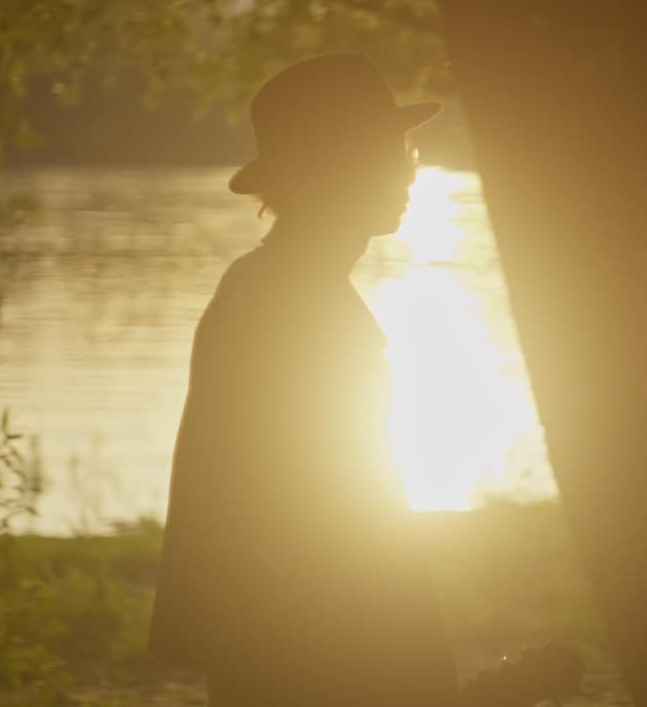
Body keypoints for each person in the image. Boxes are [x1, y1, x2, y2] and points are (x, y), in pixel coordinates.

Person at [148, 54, 457, 706]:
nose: (406, 167)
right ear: (335, 166)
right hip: (316, 661)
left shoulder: (253, 284)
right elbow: (355, 522)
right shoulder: (303, 308)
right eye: (387, 150)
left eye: (404, 149)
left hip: (270, 655)